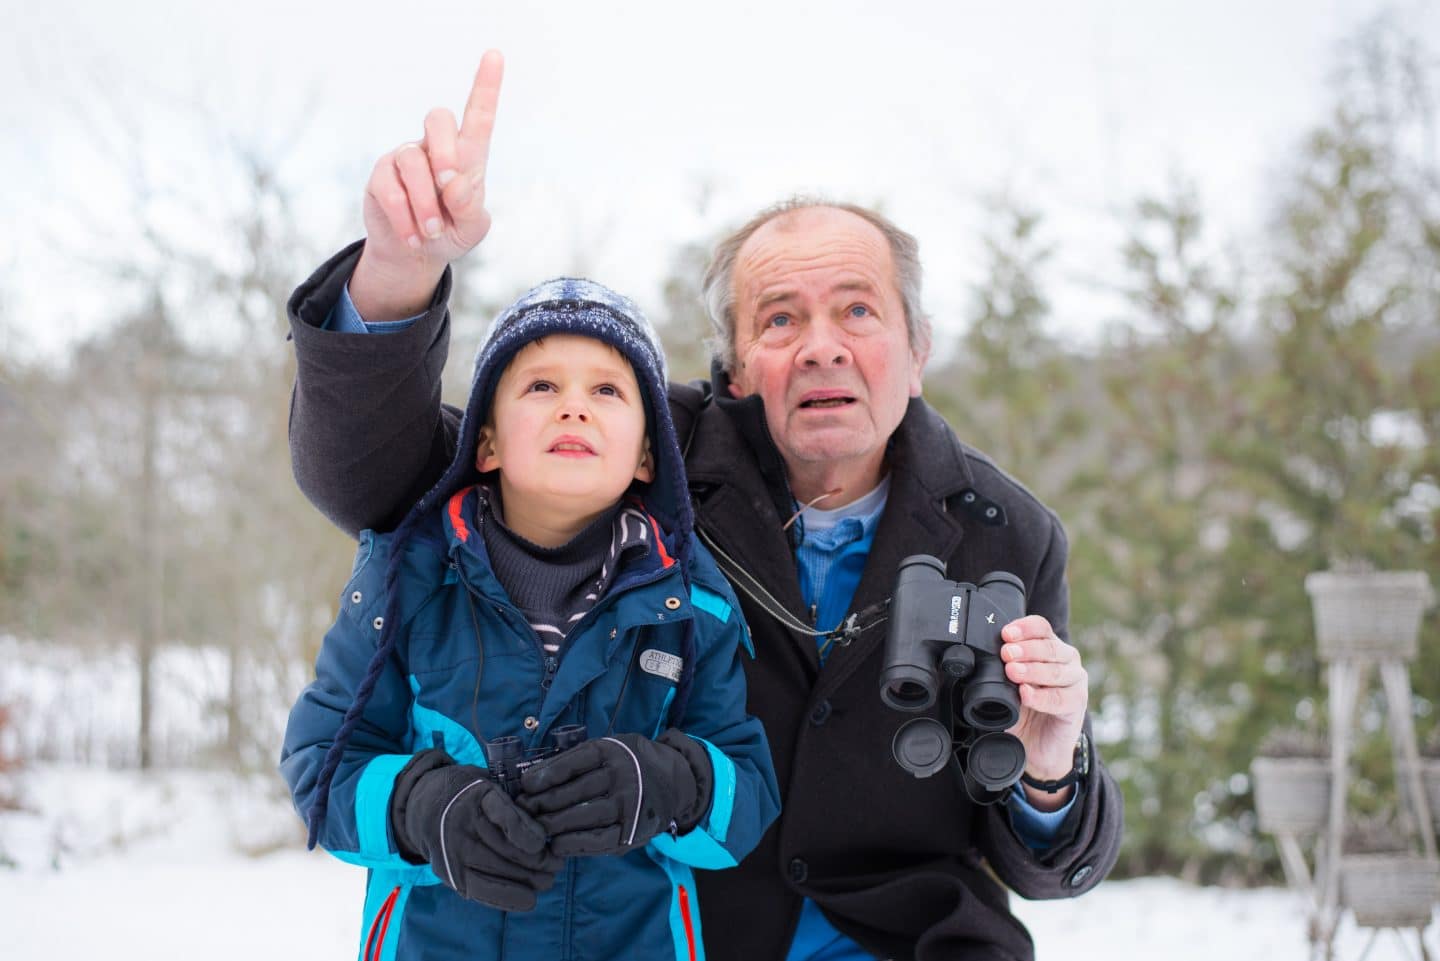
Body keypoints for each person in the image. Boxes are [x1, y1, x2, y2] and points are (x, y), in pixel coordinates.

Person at [287, 51, 1121, 961]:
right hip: (678, 932)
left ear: (917, 351)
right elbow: (377, 476)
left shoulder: (1005, 535)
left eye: (857, 311)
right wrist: (399, 270)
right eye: (778, 319)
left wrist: (1050, 774)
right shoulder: (639, 454)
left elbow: (1047, 865)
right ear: (729, 370)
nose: (821, 349)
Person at [280, 267, 781, 961]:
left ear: (645, 454)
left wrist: (669, 782)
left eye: (607, 390)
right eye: (541, 385)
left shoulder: (694, 604)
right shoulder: (408, 575)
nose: (573, 407)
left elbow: (749, 791)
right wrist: (419, 808)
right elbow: (321, 762)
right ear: (485, 442)